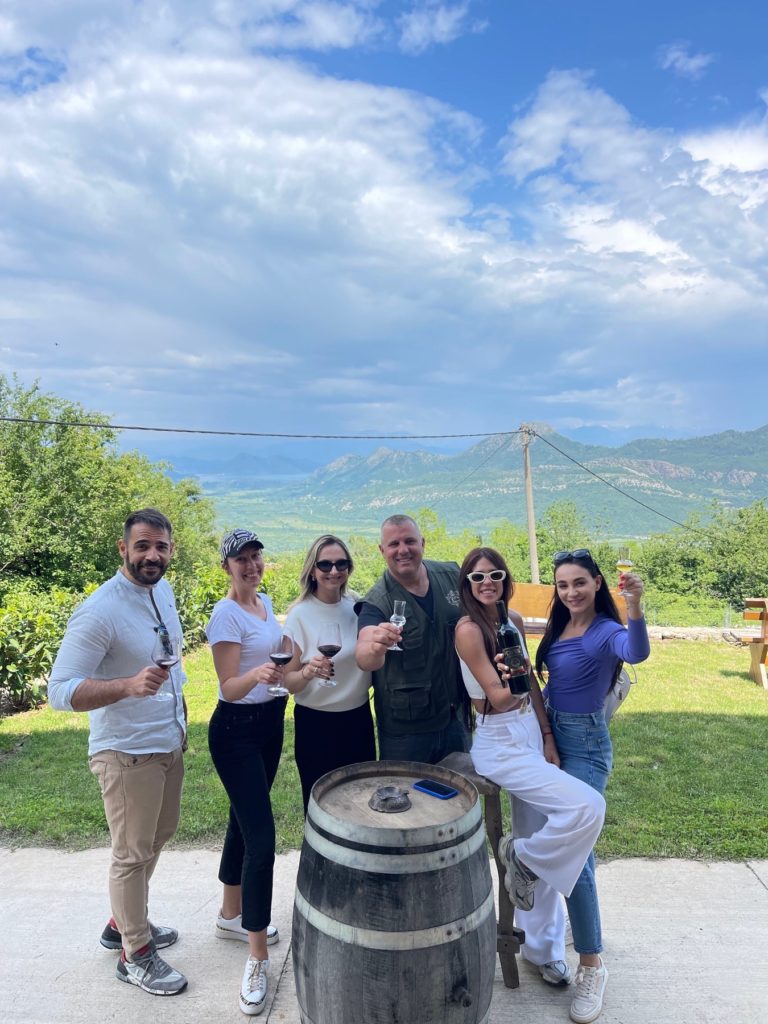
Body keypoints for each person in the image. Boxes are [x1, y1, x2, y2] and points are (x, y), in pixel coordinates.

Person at [454, 547, 606, 1000]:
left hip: (528, 733)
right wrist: (508, 678)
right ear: (467, 585)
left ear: (506, 579)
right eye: (478, 577)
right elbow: (499, 699)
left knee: (539, 828)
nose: (487, 583)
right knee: (586, 806)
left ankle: (543, 949)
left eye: (495, 575)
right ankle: (522, 856)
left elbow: (533, 687)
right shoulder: (468, 631)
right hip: (498, 741)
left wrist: (547, 734)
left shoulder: (514, 621)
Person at [48, 508, 188, 997]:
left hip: (167, 741)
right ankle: (136, 954)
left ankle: (122, 924)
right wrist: (127, 686)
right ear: (123, 548)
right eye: (142, 546)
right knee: (131, 855)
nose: (152, 555)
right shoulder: (100, 610)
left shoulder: (161, 591)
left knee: (158, 837)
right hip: (126, 753)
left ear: (170, 550)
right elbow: (59, 691)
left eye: (161, 547)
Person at [531, 548, 650, 1024]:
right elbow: (555, 683)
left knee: (576, 855)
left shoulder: (603, 631)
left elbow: (636, 652)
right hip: (551, 739)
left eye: (579, 582)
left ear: (598, 583)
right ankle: (579, 926)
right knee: (576, 849)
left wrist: (634, 605)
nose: (571, 592)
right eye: (562, 585)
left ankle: (592, 965)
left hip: (585, 746)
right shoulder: (562, 625)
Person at [205, 529, 285, 1017]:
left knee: (242, 820)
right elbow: (229, 686)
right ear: (227, 567)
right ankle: (257, 959)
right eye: (241, 559)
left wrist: (299, 660)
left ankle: (230, 915)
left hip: (270, 724)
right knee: (262, 839)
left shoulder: (265, 603)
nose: (251, 565)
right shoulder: (226, 614)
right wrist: (258, 674)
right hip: (235, 730)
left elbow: (281, 656)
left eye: (256, 556)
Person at [355, 514, 470, 763]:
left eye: (409, 541)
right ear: (382, 550)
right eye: (394, 544)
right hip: (406, 733)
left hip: (456, 718)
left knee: (459, 787)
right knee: (407, 790)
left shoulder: (453, 576)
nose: (403, 550)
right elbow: (364, 657)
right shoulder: (376, 602)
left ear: (422, 543)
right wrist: (375, 646)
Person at [282, 535, 375, 812]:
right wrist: (308, 671)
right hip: (316, 725)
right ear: (312, 570)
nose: (333, 571)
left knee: (361, 805)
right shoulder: (299, 615)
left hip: (358, 720)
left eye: (341, 564)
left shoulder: (357, 606)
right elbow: (289, 682)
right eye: (325, 565)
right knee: (321, 807)